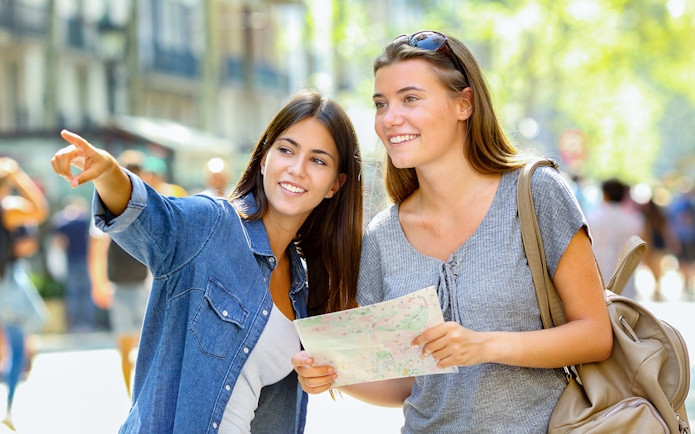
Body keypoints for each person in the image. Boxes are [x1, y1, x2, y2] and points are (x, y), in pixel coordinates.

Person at [293, 31, 612, 433]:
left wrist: (485, 345)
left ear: (464, 104)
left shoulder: (536, 194)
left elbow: (596, 335)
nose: (390, 118)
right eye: (381, 104)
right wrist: (335, 373)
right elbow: (411, 382)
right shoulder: (382, 236)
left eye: (410, 99)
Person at [51, 89, 364, 434]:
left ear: (335, 184)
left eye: (318, 160)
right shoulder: (211, 225)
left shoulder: (302, 289)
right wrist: (108, 171)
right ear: (263, 159)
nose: (297, 169)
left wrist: (319, 375)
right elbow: (150, 215)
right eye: (286, 150)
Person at [87, 150, 151, 397]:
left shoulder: (110, 202)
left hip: (133, 283)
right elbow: (98, 249)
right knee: (138, 347)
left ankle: (133, 398)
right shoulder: (139, 201)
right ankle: (134, 399)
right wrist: (99, 283)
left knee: (129, 348)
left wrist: (99, 284)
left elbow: (97, 250)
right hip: (134, 284)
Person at [0, 157, 49, 430]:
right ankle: (8, 406)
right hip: (5, 285)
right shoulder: (6, 208)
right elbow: (40, 210)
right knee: (17, 348)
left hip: (7, 283)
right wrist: (17, 173)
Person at [585, 178, 645, 299]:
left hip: (597, 279)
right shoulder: (635, 220)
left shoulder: (590, 218)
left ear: (605, 194)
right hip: (625, 282)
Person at [49, 195, 95, 332]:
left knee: (73, 293)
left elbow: (59, 243)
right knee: (87, 293)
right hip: (87, 260)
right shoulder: (86, 220)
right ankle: (88, 324)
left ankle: (75, 325)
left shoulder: (61, 222)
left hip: (71, 260)